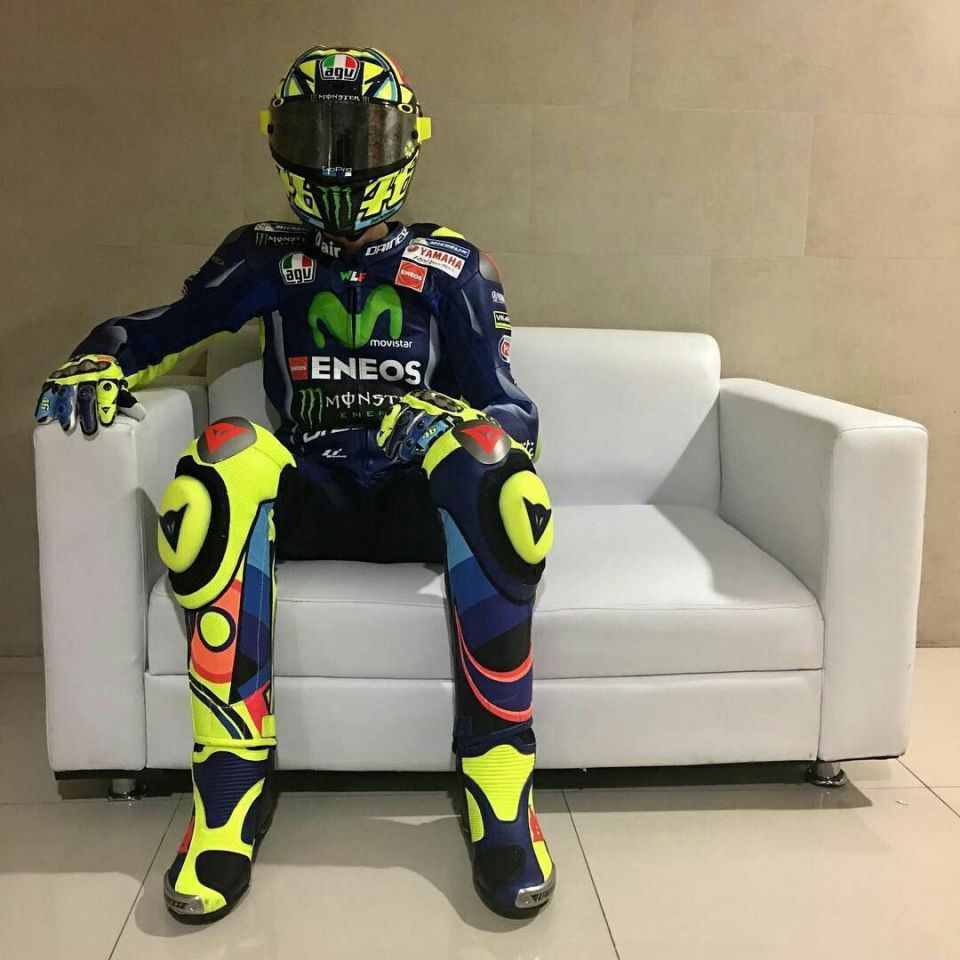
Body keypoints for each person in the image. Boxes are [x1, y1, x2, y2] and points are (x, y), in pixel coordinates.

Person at [34, 46, 555, 923]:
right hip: (314, 489)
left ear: (410, 142)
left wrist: (442, 420)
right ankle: (230, 792)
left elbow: (516, 417)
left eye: (366, 137)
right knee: (218, 465)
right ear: (280, 141)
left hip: (411, 501)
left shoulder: (453, 263)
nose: (342, 161)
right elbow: (159, 329)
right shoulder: (264, 255)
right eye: (321, 137)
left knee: (496, 472)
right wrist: (101, 356)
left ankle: (499, 782)